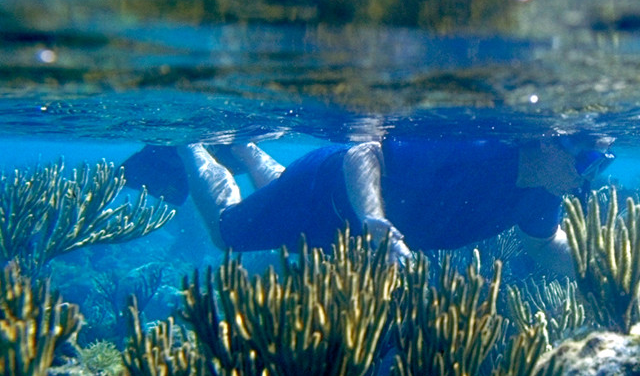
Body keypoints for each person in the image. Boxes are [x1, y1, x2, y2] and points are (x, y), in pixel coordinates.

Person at [123, 132, 614, 275]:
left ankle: (247, 147)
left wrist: (606, 277)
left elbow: (548, 246)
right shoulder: (479, 148)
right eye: (588, 158)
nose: (593, 172)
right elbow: (363, 150)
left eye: (604, 162)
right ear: (548, 143)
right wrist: (376, 221)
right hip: (327, 190)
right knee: (228, 232)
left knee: (278, 194)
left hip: (353, 229)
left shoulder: (540, 195)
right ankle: (190, 142)